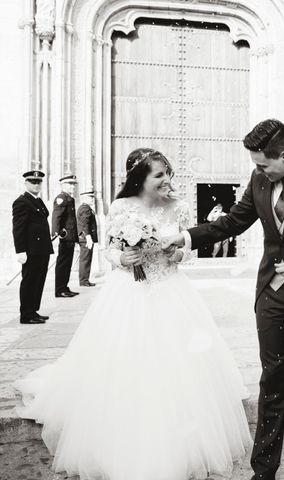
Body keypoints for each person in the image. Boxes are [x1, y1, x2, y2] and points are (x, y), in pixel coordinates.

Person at [16, 148, 251, 480]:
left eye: (168, 172)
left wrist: (179, 254)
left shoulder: (179, 206)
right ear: (140, 177)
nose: (167, 179)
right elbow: (112, 246)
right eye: (159, 174)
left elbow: (190, 253)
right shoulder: (121, 207)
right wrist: (120, 260)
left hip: (171, 291)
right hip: (128, 293)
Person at [163, 118, 284, 480]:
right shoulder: (259, 179)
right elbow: (233, 222)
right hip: (271, 295)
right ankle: (264, 469)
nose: (258, 171)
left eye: (262, 164)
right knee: (272, 381)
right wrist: (186, 237)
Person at [12, 170, 54, 324]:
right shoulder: (22, 201)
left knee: (38, 280)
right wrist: (20, 250)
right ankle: (26, 314)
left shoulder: (37, 200)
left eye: (39, 182)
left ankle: (33, 310)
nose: (36, 185)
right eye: (32, 182)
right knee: (29, 281)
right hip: (31, 250)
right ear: (26, 183)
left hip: (42, 248)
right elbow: (18, 228)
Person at [52, 174, 79, 298]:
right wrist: (55, 232)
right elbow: (57, 216)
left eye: (73, 185)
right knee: (63, 263)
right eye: (69, 184)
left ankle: (64, 286)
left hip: (70, 236)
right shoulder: (61, 198)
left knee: (67, 263)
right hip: (65, 235)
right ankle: (59, 289)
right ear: (63, 185)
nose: (72, 187)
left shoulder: (69, 198)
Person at [76, 190, 98, 287]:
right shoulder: (85, 208)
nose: (92, 199)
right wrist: (89, 237)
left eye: (92, 197)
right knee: (85, 259)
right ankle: (84, 281)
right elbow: (85, 224)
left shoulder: (85, 208)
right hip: (85, 238)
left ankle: (84, 280)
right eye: (90, 197)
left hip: (84, 237)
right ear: (84, 198)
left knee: (85, 259)